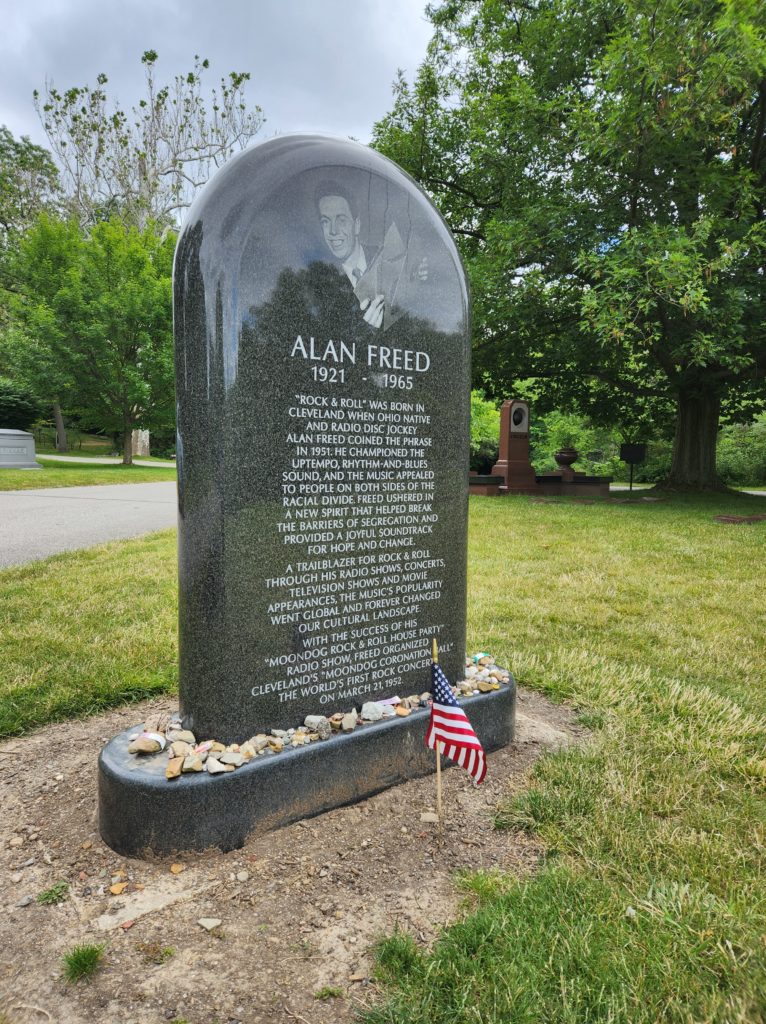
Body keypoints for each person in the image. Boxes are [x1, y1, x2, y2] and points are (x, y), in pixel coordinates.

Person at [315, 181, 386, 328]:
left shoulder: (386, 257)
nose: (333, 231)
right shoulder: (319, 279)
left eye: (341, 220)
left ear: (357, 225)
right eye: (326, 222)